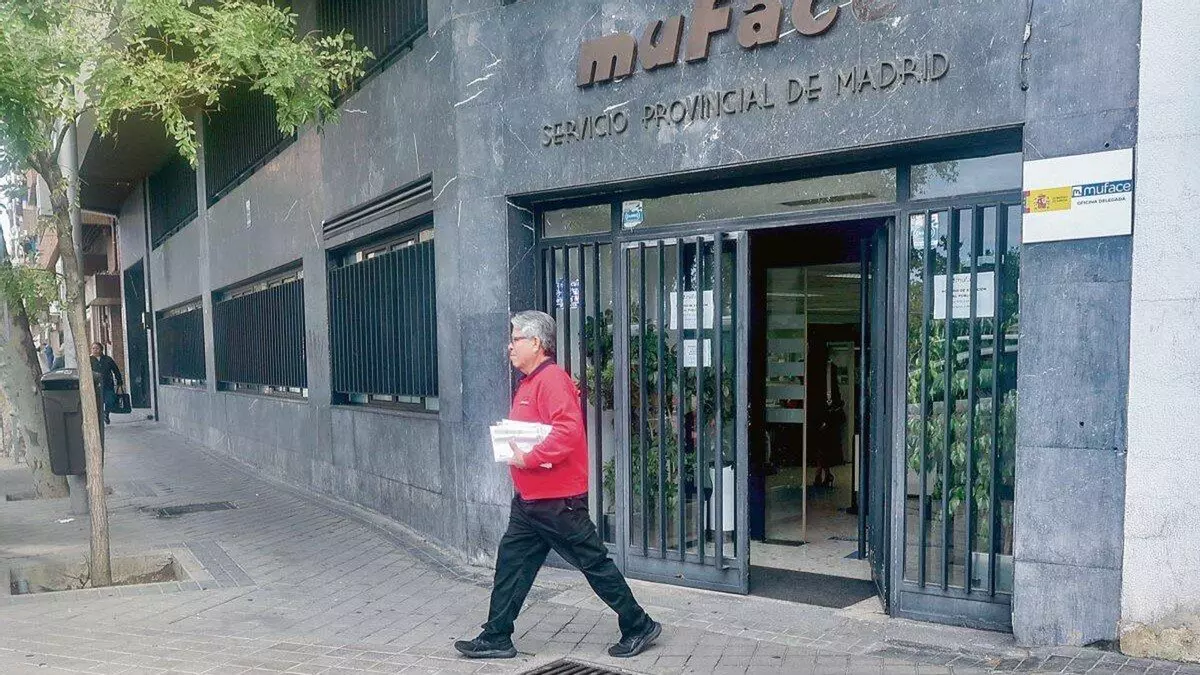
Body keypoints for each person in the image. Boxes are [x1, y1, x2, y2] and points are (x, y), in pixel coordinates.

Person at [454, 311, 661, 660]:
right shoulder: (530, 382)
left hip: (557, 501)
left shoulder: (552, 380)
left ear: (536, 343)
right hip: (530, 501)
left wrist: (529, 457)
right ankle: (496, 636)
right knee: (511, 565)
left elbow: (568, 432)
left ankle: (639, 624)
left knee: (593, 563)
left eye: (515, 339)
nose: (510, 346)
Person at [89, 342, 123, 425]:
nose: (95, 350)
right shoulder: (89, 360)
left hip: (108, 384)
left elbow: (116, 370)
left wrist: (119, 381)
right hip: (95, 385)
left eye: (97, 348)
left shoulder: (108, 359)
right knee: (97, 402)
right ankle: (99, 418)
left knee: (110, 400)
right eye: (93, 348)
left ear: (101, 350)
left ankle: (106, 413)